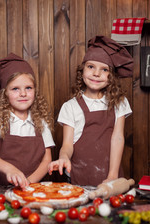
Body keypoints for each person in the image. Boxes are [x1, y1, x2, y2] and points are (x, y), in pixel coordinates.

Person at [48, 36, 133, 186]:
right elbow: (67, 144)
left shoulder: (120, 102)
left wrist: (112, 175)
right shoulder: (70, 107)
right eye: (91, 66)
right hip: (79, 178)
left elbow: (118, 138)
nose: (96, 73)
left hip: (111, 177)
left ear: (111, 76)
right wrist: (63, 157)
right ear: (82, 71)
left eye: (104, 69)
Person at [0, 53, 55, 189]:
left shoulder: (41, 122)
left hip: (32, 188)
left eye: (28, 88)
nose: (23, 94)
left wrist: (29, 182)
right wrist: (9, 169)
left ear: (35, 91)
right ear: (5, 93)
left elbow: (47, 159)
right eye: (15, 89)